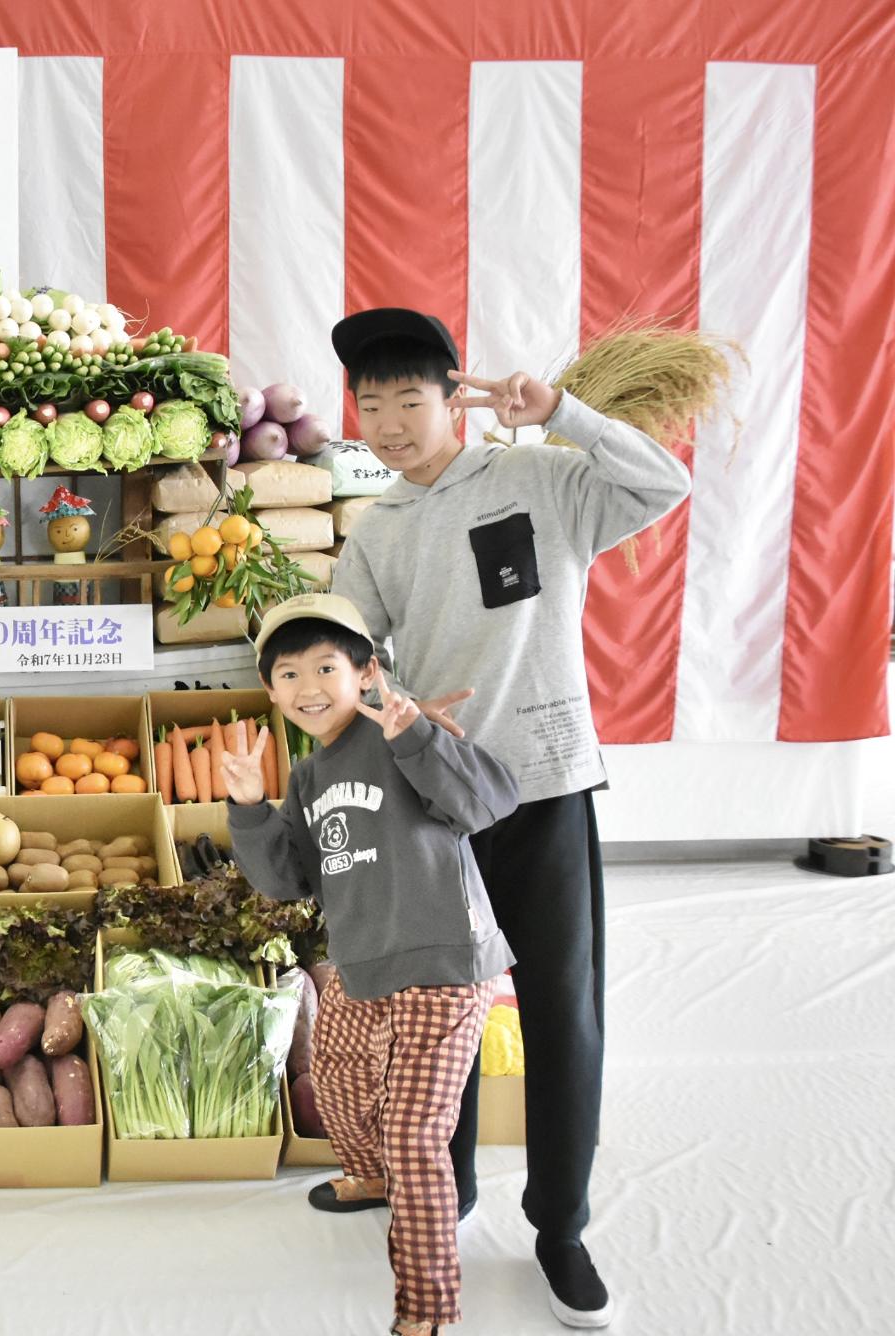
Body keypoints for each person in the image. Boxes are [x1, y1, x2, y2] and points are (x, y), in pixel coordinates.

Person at [326, 308, 693, 1328]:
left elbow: (665, 484)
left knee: (559, 1013)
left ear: (455, 396)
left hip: (542, 785)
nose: (390, 422)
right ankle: (447, 1193)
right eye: (372, 402)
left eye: (409, 398)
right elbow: (346, 652)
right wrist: (377, 700)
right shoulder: (378, 527)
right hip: (437, 802)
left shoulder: (541, 481)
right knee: (433, 1012)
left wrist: (561, 412)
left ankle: (559, 1225)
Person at [222, 593, 519, 1336]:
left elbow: (490, 800)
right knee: (341, 1079)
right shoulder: (311, 776)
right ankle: (371, 1175)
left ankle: (425, 1311)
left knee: (417, 1134)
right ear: (271, 692)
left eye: (327, 667)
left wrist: (417, 733)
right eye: (288, 675)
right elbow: (286, 879)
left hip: (443, 964)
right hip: (363, 964)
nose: (309, 688)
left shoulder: (403, 733)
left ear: (366, 672)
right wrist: (252, 807)